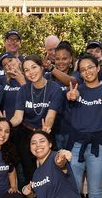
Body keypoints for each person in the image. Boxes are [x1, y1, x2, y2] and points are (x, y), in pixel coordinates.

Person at [65, 53, 102, 198]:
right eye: (83, 70)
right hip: (77, 146)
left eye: (90, 67)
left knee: (95, 190)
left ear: (98, 68)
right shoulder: (76, 90)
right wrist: (71, 98)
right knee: (73, 188)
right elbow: (68, 103)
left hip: (97, 147)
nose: (87, 72)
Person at [9, 55, 64, 186]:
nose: (31, 72)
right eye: (26, 70)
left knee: (49, 173)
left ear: (41, 67)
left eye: (34, 67)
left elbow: (51, 115)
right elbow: (18, 117)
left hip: (46, 133)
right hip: (26, 134)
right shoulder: (23, 90)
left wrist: (46, 130)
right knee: (30, 173)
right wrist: (5, 125)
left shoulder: (54, 88)